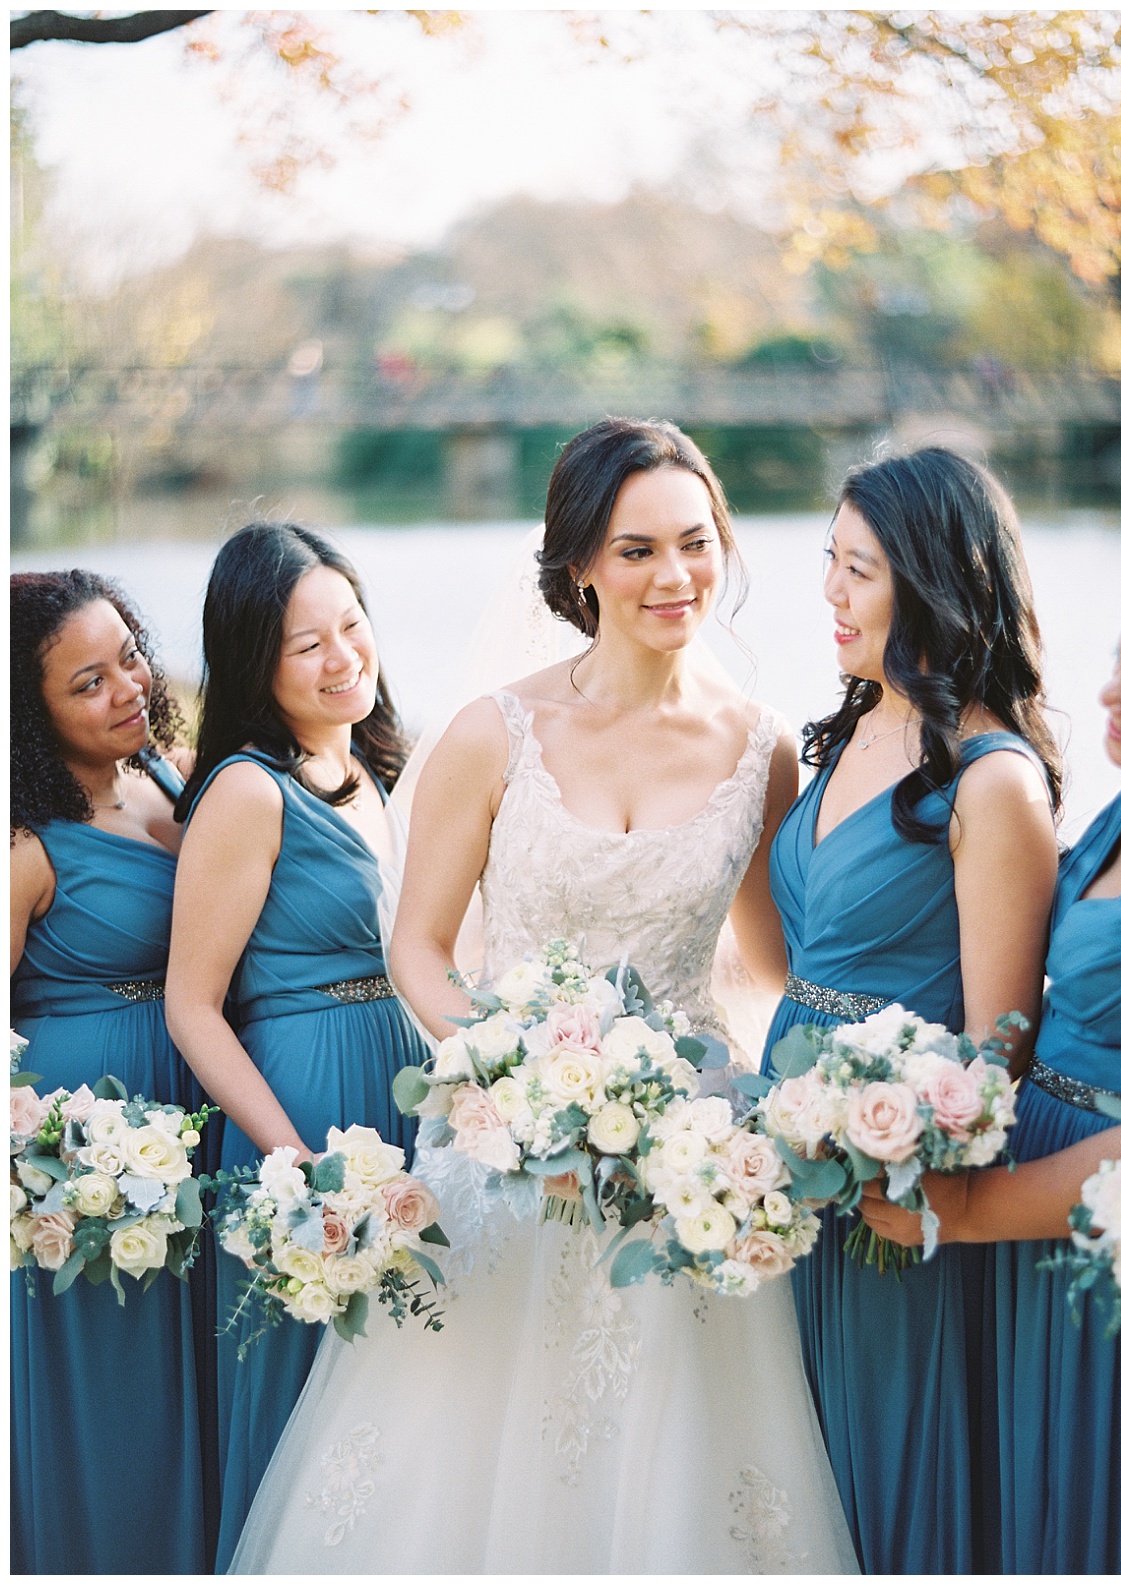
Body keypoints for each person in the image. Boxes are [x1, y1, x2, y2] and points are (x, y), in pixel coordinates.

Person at [228, 418, 860, 1574]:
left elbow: (773, 962)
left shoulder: (762, 748)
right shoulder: (495, 734)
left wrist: (864, 1053)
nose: (675, 577)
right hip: (500, 1144)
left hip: (686, 1165)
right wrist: (513, 1074)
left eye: (695, 543)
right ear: (579, 564)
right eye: (636, 551)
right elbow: (420, 949)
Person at [760, 447, 1061, 1573]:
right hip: (782, 1165)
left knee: (879, 1468)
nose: (830, 595)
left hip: (895, 1188)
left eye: (860, 571)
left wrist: (893, 1148)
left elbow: (1000, 1050)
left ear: (932, 580)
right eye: (829, 564)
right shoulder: (837, 735)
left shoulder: (991, 782)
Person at [860, 562, 1121, 1573]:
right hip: (1030, 1180)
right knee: (1028, 1500)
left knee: (1102, 1504)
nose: (1104, 699)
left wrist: (962, 1213)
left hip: (1098, 1224)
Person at [164, 523, 429, 1571]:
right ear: (251, 663)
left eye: (351, 625)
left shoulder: (371, 765)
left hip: (399, 1086)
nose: (342, 657)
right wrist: (294, 1161)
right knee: (302, 1400)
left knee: (404, 1404)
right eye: (305, 645)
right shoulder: (246, 790)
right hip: (301, 1106)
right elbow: (193, 1005)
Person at [10, 570, 214, 1573]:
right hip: (86, 1153)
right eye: (87, 682)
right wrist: (39, 1164)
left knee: (196, 1375)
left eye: (129, 654)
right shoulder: (26, 849)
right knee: (116, 1394)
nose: (127, 686)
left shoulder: (171, 774)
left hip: (193, 1110)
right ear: (30, 716)